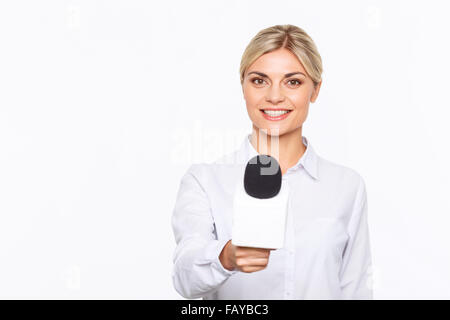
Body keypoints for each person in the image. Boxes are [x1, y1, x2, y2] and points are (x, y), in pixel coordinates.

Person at [171, 24, 373, 299]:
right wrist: (225, 257)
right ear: (243, 86)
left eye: (293, 82)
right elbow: (185, 277)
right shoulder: (205, 181)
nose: (275, 96)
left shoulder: (346, 186)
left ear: (315, 90)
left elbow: (356, 288)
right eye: (259, 80)